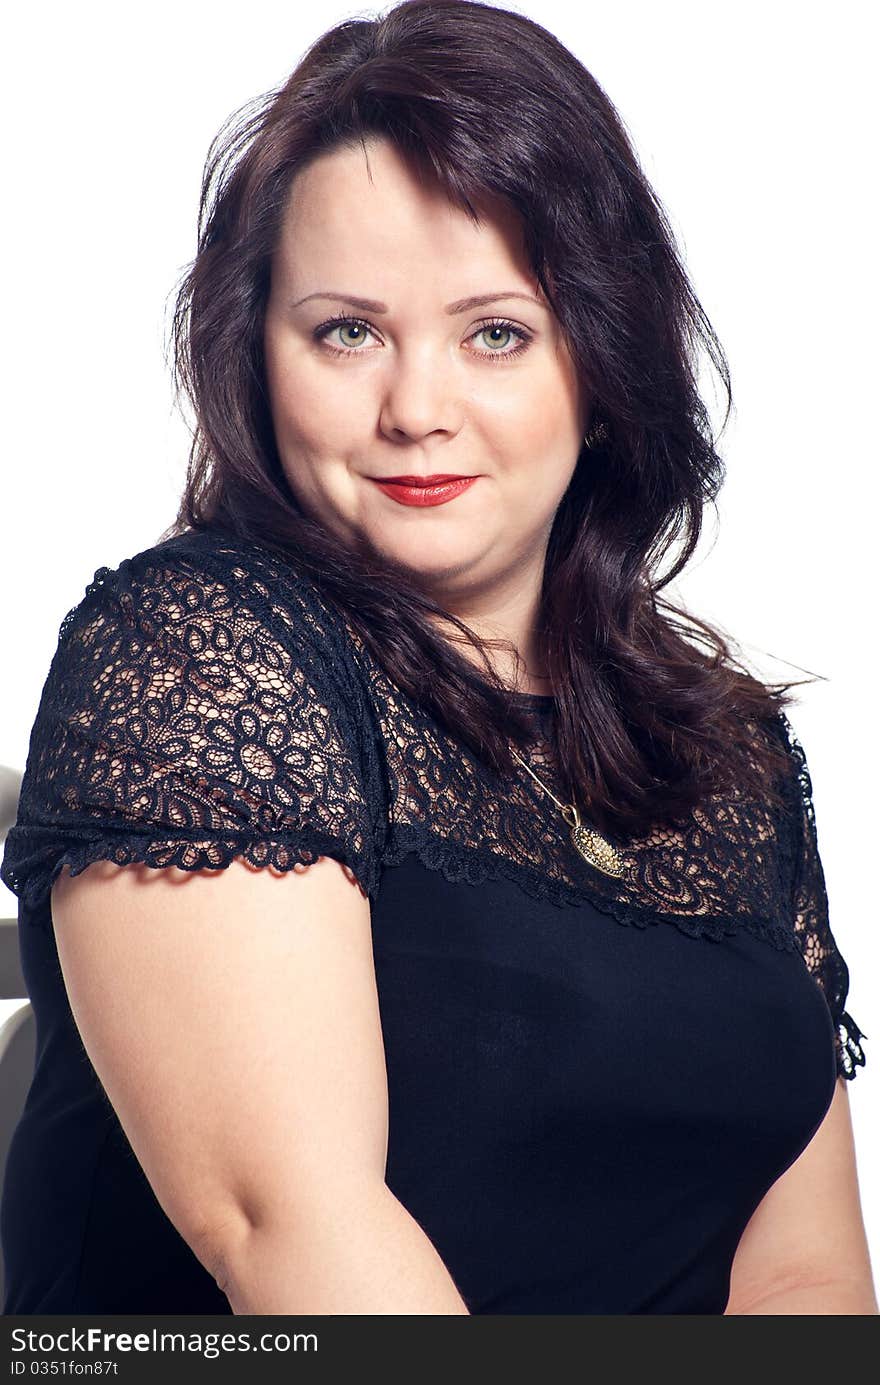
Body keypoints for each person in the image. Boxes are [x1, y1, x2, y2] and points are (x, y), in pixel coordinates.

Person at [0, 0, 874, 1315]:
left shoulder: (726, 750)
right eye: (348, 330)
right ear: (258, 357)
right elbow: (295, 1239)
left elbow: (807, 1271)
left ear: (602, 361)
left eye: (497, 332)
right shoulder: (201, 656)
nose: (416, 408)